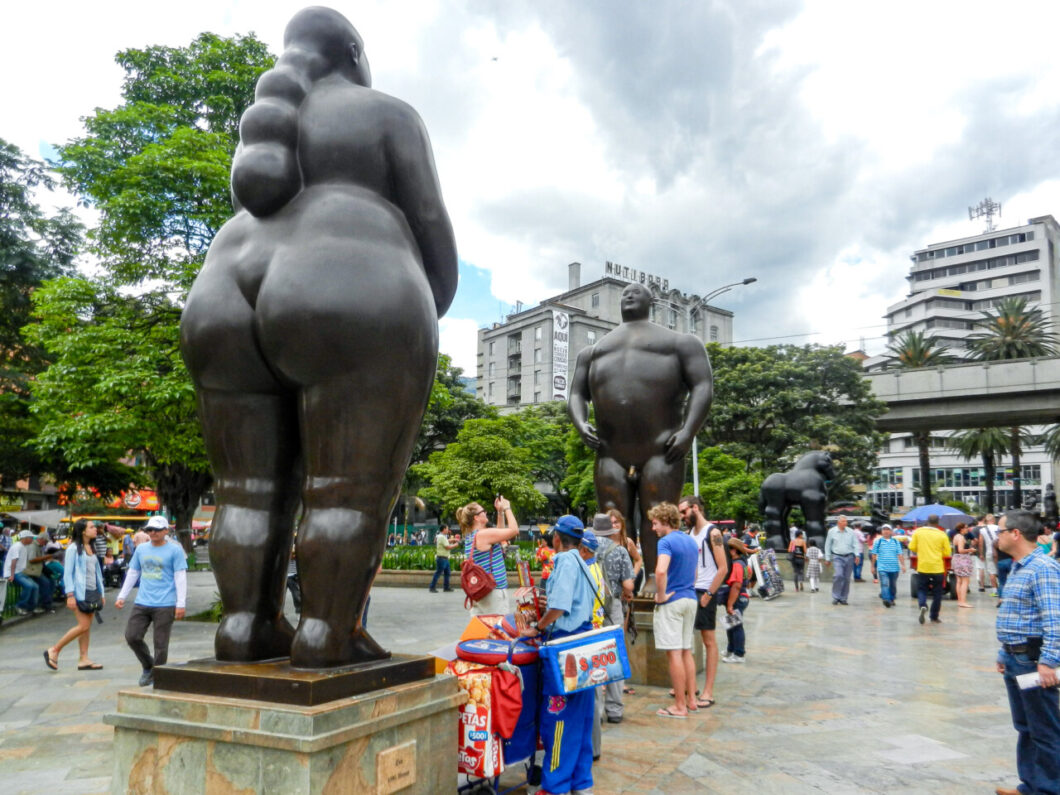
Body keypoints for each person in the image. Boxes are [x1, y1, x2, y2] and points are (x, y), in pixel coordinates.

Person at [179, 8, 458, 669]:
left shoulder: (268, 139)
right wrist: (421, 315)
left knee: (244, 489)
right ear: (354, 55)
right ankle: (325, 633)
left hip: (220, 290)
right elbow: (431, 227)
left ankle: (244, 626)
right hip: (351, 284)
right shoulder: (389, 114)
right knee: (344, 484)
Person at [569, 281, 713, 594]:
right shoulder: (592, 352)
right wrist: (581, 424)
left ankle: (653, 578)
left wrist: (688, 431)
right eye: (625, 293)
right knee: (609, 519)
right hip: (610, 451)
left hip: (661, 449)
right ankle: (612, 579)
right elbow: (576, 394)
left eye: (638, 292)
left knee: (657, 517)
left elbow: (703, 386)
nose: (630, 294)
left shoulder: (680, 342)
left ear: (652, 302)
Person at [519, 515, 596, 795]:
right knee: (582, 719)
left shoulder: (563, 560)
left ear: (556, 539)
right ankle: (581, 782)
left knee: (558, 719)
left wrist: (538, 625)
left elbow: (562, 607)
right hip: (584, 644)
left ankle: (555, 786)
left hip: (564, 648)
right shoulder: (585, 562)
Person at [993, 509, 1060, 795]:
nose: (997, 536)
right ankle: (1031, 785)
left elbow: (1054, 618)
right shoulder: (1020, 566)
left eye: (1000, 531)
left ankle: (1049, 789)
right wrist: (1003, 652)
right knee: (1026, 727)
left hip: (1032, 660)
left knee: (1045, 730)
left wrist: (1049, 661)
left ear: (1015, 534)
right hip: (1015, 657)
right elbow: (1018, 614)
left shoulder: (1043, 568)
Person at [115, 515, 189, 687]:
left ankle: (159, 676)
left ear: (165, 531)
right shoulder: (141, 550)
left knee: (161, 643)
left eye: (156, 529)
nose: (153, 532)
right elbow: (133, 572)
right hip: (143, 601)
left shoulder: (175, 550)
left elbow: (180, 577)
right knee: (132, 636)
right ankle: (148, 666)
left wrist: (181, 603)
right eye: (149, 529)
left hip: (165, 603)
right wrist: (121, 596)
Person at [649, 502, 699, 719]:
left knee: (675, 654)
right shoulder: (690, 540)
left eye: (655, 523)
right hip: (690, 599)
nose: (653, 528)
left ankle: (679, 706)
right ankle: (692, 700)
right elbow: (696, 574)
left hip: (673, 602)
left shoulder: (666, 542)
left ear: (666, 521)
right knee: (687, 650)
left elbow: (660, 571)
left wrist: (660, 596)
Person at [678, 496, 727, 709]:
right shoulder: (690, 534)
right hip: (690, 590)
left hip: (706, 591)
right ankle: (690, 685)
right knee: (685, 640)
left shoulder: (713, 533)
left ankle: (708, 690)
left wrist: (709, 593)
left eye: (683, 512)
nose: (682, 517)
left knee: (708, 640)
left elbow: (723, 567)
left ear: (695, 508)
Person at [590, 513, 634, 724]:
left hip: (591, 608)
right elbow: (628, 585)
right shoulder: (620, 551)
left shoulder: (585, 548)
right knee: (614, 655)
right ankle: (615, 709)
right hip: (613, 607)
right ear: (612, 529)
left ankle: (596, 711)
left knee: (594, 656)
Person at [44, 520, 105, 671]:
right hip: (79, 593)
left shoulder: (91, 547)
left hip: (92, 592)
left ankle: (84, 659)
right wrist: (70, 595)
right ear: (83, 531)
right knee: (83, 625)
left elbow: (97, 573)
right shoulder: (73, 548)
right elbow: (68, 573)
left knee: (86, 627)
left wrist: (101, 592)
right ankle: (54, 650)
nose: (95, 529)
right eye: (91, 527)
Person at [458, 496, 518, 616]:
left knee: (482, 631)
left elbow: (500, 535)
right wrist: (507, 508)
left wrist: (500, 513)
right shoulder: (483, 535)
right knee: (496, 630)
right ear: (476, 517)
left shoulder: (472, 536)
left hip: (481, 591)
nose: (486, 513)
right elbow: (514, 530)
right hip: (493, 592)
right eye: (483, 511)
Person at [909, 514, 952, 625]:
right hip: (937, 567)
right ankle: (934, 616)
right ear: (938, 523)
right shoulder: (942, 534)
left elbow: (912, 547)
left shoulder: (918, 532)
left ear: (927, 521)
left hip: (923, 566)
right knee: (938, 593)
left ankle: (923, 605)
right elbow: (947, 552)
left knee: (922, 589)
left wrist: (922, 549)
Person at [721, 538, 752, 663]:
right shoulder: (741, 563)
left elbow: (737, 585)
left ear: (734, 551)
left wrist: (730, 604)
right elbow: (749, 575)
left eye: (727, 549)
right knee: (731, 625)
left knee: (736, 626)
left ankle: (739, 654)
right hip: (740, 597)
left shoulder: (737, 565)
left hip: (737, 598)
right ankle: (731, 649)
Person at [607, 508, 643, 595]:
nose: (614, 525)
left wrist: (631, 577)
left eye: (616, 522)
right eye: (610, 523)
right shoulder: (603, 543)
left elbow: (638, 560)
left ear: (622, 524)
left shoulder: (628, 542)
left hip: (625, 587)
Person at [824, 516, 858, 605]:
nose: (845, 523)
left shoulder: (851, 532)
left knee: (847, 578)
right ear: (838, 523)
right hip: (837, 557)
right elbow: (828, 545)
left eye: (846, 521)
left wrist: (857, 555)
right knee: (838, 575)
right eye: (843, 521)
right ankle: (836, 597)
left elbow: (856, 543)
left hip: (849, 556)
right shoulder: (832, 531)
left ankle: (843, 598)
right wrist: (827, 558)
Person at [4, 530, 39, 614]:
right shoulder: (17, 546)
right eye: (31, 538)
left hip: (19, 572)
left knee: (35, 586)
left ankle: (31, 607)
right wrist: (11, 575)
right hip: (14, 572)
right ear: (25, 538)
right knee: (29, 586)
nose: (32, 540)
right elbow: (14, 561)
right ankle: (19, 606)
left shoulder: (22, 546)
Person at [870, 524, 906, 607]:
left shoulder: (896, 542)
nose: (886, 531)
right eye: (884, 529)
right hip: (882, 567)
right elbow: (874, 555)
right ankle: (886, 599)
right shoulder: (878, 542)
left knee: (893, 585)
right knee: (884, 583)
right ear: (881, 531)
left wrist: (903, 565)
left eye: (887, 529)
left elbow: (900, 554)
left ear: (891, 531)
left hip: (894, 568)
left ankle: (891, 598)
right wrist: (872, 566)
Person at [26, 530, 57, 612]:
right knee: (45, 583)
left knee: (52, 581)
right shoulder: (33, 546)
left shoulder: (39, 546)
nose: (46, 543)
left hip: (39, 569)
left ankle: (48, 602)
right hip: (32, 570)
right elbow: (32, 559)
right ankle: (45, 604)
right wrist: (46, 557)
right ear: (42, 539)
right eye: (46, 541)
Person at [951, 522, 975, 608]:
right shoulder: (961, 538)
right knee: (965, 581)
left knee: (959, 581)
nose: (967, 529)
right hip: (962, 559)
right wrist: (970, 550)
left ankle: (960, 601)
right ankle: (963, 601)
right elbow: (961, 550)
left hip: (956, 559)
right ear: (961, 529)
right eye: (966, 527)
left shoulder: (956, 537)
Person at [428, 526, 458, 593]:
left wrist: (453, 540)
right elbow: (447, 547)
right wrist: (455, 545)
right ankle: (432, 587)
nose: (448, 530)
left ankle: (446, 587)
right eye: (447, 528)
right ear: (444, 529)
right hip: (442, 558)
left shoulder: (441, 536)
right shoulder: (442, 537)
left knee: (447, 573)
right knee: (438, 573)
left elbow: (446, 541)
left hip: (444, 558)